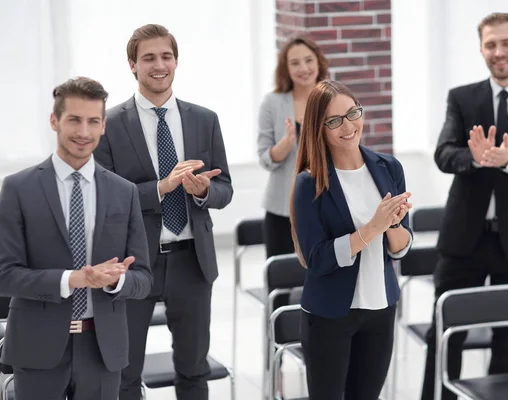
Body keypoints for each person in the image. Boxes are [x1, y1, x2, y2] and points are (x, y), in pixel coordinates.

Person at [420, 13, 508, 400]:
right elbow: (443, 154)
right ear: (481, 49)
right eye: (490, 44)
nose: (499, 52)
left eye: (506, 43)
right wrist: (475, 158)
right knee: (445, 333)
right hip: (464, 238)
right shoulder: (462, 98)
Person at [94, 24, 233, 400]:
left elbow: (226, 189)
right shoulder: (109, 125)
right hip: (134, 263)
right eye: (149, 58)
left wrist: (205, 190)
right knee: (123, 374)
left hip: (192, 262)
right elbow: (105, 201)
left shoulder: (205, 119)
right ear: (132, 65)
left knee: (193, 372)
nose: (159, 65)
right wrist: (161, 188)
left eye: (166, 56)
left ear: (176, 61)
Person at [0, 77, 153, 400]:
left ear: (103, 126)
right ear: (54, 121)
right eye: (74, 120)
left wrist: (114, 282)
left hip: (102, 349)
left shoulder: (124, 192)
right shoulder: (17, 189)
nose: (84, 132)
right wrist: (74, 279)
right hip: (37, 347)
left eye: (93, 121)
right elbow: (5, 276)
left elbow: (143, 279)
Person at [290, 80, 413, 400]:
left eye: (352, 113)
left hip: (380, 307)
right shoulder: (309, 182)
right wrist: (372, 228)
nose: (348, 126)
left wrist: (393, 225)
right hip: (330, 314)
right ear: (319, 128)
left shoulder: (389, 167)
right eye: (334, 120)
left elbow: (399, 249)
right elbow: (316, 259)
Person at [257, 36, 329, 258]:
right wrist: (287, 143)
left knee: (322, 279)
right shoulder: (272, 102)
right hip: (281, 209)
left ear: (319, 63)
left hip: (324, 205)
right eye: (295, 63)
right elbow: (264, 157)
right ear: (286, 69)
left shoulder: (333, 100)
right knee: (282, 283)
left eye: (308, 60)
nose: (304, 68)